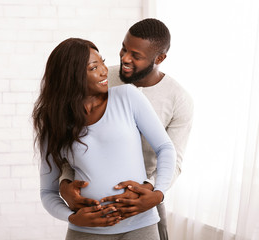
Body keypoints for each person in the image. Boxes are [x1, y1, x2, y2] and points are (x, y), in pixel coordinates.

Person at [59, 18, 194, 239]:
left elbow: (173, 158)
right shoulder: (101, 77)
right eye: (123, 49)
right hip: (94, 207)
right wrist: (64, 183)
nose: (125, 59)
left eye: (136, 56)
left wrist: (152, 191)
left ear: (159, 58)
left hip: (143, 203)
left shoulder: (179, 100)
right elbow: (67, 138)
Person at [33, 37, 176, 240]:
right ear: (70, 76)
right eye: (93, 67)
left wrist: (158, 193)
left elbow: (165, 148)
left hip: (141, 226)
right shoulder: (54, 122)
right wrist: (72, 218)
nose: (104, 70)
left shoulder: (128, 96)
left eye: (102, 62)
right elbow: (47, 192)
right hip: (86, 232)